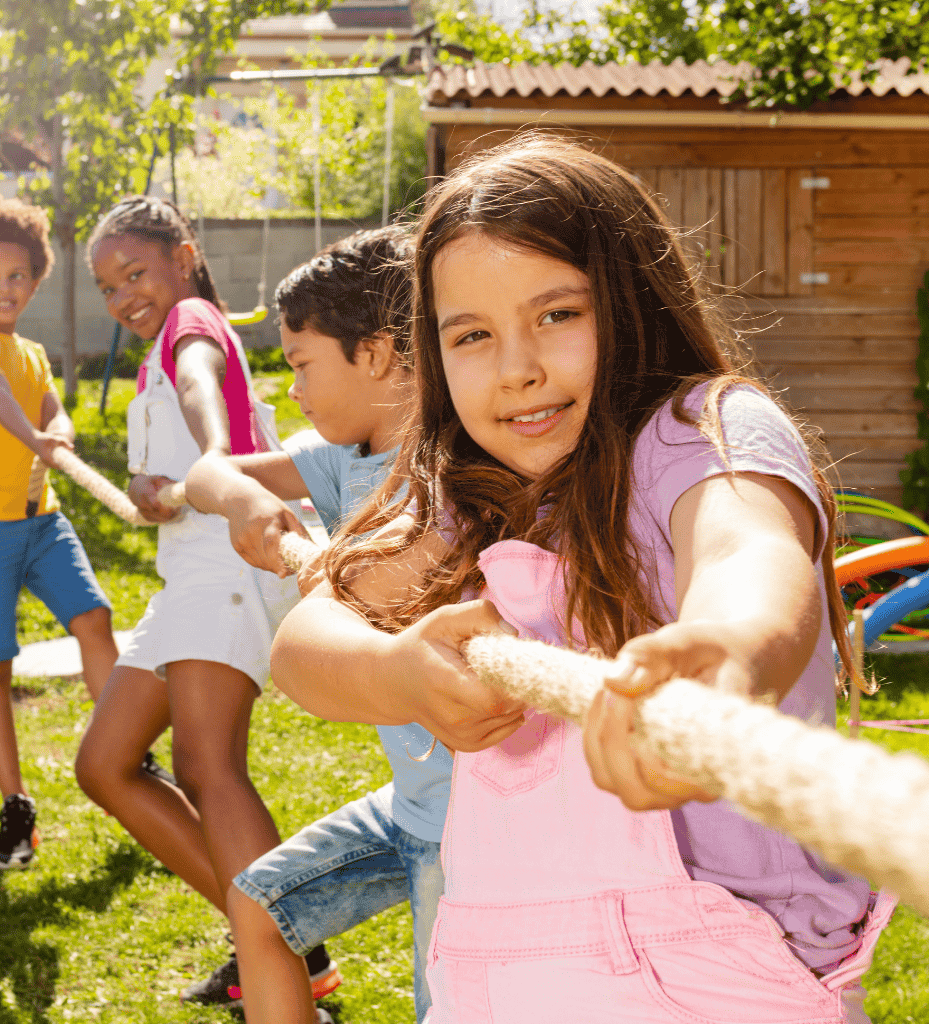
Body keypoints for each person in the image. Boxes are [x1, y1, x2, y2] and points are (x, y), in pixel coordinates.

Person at [268, 138, 895, 1024]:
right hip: (507, 971)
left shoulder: (700, 432)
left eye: (557, 314)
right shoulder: (466, 490)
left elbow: (748, 552)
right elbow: (305, 643)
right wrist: (396, 670)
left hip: (724, 977)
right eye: (473, 335)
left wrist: (722, 655)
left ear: (632, 304)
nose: (517, 365)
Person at [73, 196, 340, 1012]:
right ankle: (286, 943)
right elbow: (179, 430)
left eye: (135, 272)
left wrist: (216, 460)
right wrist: (154, 486)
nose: (124, 297)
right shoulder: (158, 350)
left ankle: (284, 967)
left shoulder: (191, 321)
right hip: (188, 576)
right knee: (104, 764)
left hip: (227, 568)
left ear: (184, 256)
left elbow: (200, 382)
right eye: (108, 287)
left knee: (206, 766)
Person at [185, 227, 446, 1024]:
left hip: (472, 826)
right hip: (412, 803)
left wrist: (323, 561)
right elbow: (208, 473)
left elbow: (380, 604)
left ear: (375, 353)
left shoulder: (459, 471)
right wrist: (243, 499)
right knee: (260, 908)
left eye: (302, 364)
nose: (291, 389)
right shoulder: (341, 459)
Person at [0, 197, 134, 869]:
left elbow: (53, 412)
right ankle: (14, 811)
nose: (6, 288)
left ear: (36, 280)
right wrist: (35, 440)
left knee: (94, 618)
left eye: (19, 276)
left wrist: (62, 435)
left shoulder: (31, 353)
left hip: (43, 522)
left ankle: (132, 757)